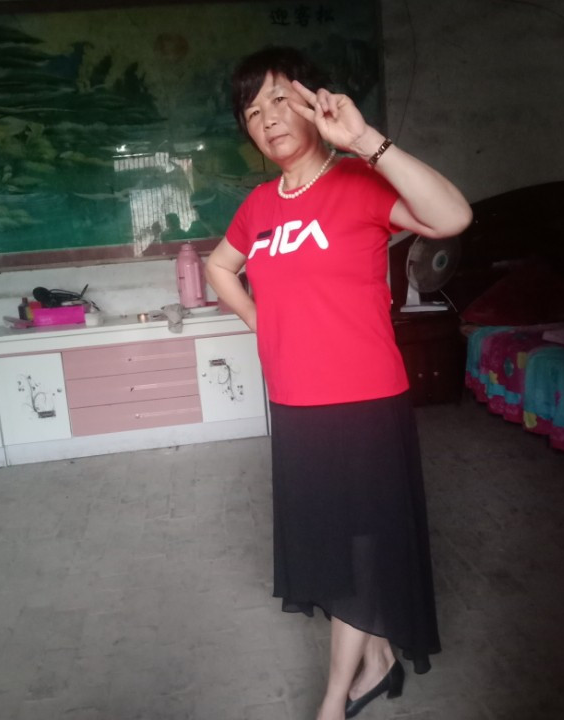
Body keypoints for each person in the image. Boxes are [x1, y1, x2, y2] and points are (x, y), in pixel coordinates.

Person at [205, 47, 472, 720]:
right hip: (295, 404)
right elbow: (218, 267)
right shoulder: (259, 206)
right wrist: (261, 322)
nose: (267, 118)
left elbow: (451, 218)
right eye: (252, 111)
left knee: (359, 543)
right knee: (328, 541)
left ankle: (333, 699)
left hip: (364, 402)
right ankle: (377, 662)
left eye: (278, 99)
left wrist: (367, 141)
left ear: (314, 102)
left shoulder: (359, 180)